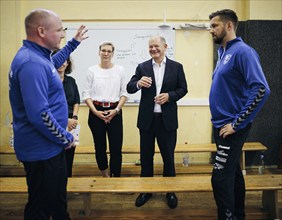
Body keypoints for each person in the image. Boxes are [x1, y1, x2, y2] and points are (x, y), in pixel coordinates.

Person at [9, 8, 88, 220]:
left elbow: (52, 63)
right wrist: (65, 138)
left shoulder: (38, 58)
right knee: (40, 208)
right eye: (59, 30)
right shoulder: (32, 63)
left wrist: (73, 43)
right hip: (41, 150)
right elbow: (40, 115)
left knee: (57, 200)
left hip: (49, 147)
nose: (62, 34)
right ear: (42, 31)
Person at [208, 9, 270, 219]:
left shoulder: (244, 52)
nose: (211, 30)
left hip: (231, 128)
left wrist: (236, 123)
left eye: (214, 25)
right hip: (221, 125)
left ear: (229, 26)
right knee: (233, 173)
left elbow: (261, 89)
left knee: (219, 177)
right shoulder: (223, 52)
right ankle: (238, 214)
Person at [127, 35, 188, 209]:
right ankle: (146, 190)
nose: (153, 49)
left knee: (168, 158)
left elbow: (183, 89)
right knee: (146, 158)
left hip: (167, 121)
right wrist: (138, 83)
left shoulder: (177, 67)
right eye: (150, 47)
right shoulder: (142, 67)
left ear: (165, 46)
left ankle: (170, 191)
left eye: (156, 46)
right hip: (147, 121)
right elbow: (130, 88)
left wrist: (170, 96)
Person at [82, 42, 128, 177]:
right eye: (103, 50)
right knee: (100, 147)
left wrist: (116, 110)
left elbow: (124, 93)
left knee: (116, 148)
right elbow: (86, 94)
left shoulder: (120, 70)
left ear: (113, 54)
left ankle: (116, 176)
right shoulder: (92, 71)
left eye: (109, 51)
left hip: (115, 111)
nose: (106, 53)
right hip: (96, 111)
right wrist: (96, 112)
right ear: (99, 52)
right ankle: (105, 174)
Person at [52, 50, 80, 177]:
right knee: (56, 157)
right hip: (54, 123)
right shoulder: (49, 81)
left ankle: (68, 184)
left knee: (69, 156)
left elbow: (76, 101)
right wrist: (65, 120)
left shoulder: (71, 81)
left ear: (68, 63)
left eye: (65, 60)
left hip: (71, 124)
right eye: (59, 60)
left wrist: (74, 118)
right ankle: (57, 188)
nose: (62, 63)